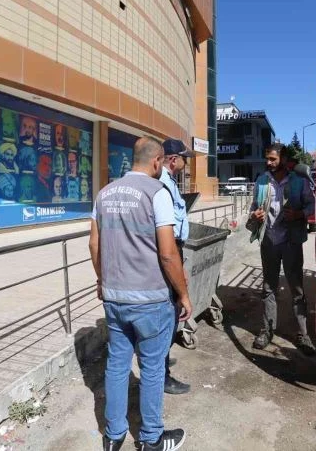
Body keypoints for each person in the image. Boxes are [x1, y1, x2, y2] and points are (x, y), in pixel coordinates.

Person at [89, 136, 192, 451]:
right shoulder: (156, 193)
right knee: (151, 368)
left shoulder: (104, 193)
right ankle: (151, 440)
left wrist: (102, 279)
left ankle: (113, 436)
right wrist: (184, 294)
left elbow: (94, 244)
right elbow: (167, 253)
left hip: (115, 299)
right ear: (158, 161)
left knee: (117, 365)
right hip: (150, 301)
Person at [247, 143, 316, 355]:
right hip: (268, 241)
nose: (268, 163)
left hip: (291, 242)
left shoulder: (299, 181)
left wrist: (298, 215)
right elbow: (253, 208)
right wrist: (254, 216)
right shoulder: (261, 181)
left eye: (273, 159)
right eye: (267, 159)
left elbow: (312, 205)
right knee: (269, 288)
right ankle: (267, 330)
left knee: (297, 290)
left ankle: (303, 334)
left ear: (284, 159)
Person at [159, 138, 194, 395]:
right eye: (184, 158)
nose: (185, 162)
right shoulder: (162, 184)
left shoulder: (170, 182)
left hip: (174, 247)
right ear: (173, 159)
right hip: (170, 249)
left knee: (171, 311)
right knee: (170, 312)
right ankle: (161, 375)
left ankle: (160, 359)